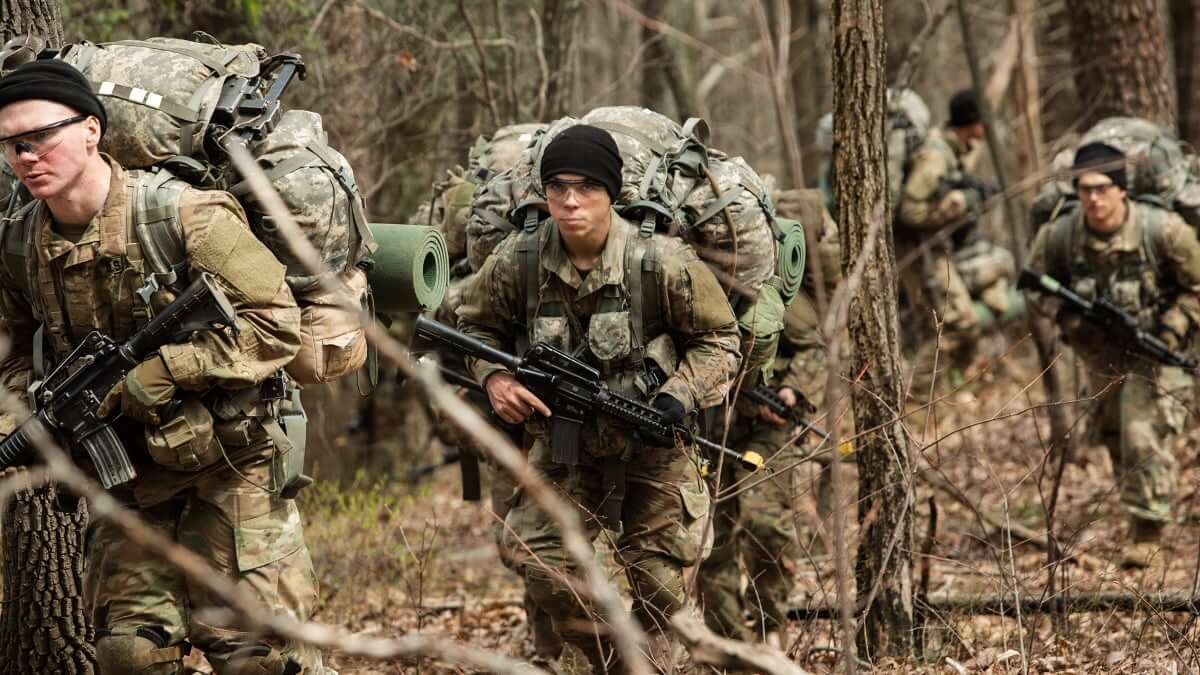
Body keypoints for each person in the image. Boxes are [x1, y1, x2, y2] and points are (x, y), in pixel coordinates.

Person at [0, 61, 325, 674]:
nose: (25, 156)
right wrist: (29, 414)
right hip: (129, 481)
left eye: (40, 136)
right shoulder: (18, 245)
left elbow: (276, 323)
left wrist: (173, 367)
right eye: (12, 145)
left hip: (231, 464)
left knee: (257, 660)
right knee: (127, 655)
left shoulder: (185, 215)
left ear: (91, 130)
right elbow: (10, 350)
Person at [456, 124, 741, 672]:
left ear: (611, 192)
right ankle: (612, 660)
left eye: (586, 186)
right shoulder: (520, 259)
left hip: (653, 446)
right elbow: (474, 326)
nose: (569, 200)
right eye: (558, 186)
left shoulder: (660, 261)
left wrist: (679, 396)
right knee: (546, 568)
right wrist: (495, 378)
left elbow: (720, 340)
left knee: (661, 594)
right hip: (564, 447)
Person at [1026, 141, 1200, 569]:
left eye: (1103, 188)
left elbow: (1197, 287)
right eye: (1085, 190)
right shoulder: (1061, 236)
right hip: (1100, 352)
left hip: (1156, 351)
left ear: (1122, 190)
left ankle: (1148, 530)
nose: (1094, 198)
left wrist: (1171, 327)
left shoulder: (1163, 230)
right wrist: (1071, 320)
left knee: (1143, 433)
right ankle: (1137, 508)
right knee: (1113, 435)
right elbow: (1034, 288)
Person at [895, 88, 1006, 418]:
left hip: (933, 252)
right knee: (957, 323)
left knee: (946, 326)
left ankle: (930, 402)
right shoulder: (936, 156)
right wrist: (961, 203)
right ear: (972, 124)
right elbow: (911, 213)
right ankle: (913, 402)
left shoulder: (951, 152)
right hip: (922, 254)